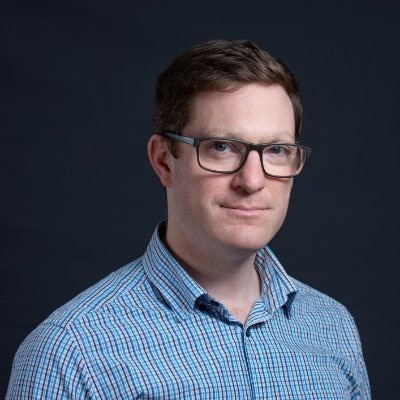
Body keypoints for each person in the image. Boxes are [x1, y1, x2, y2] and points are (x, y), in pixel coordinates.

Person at [7, 39, 371, 399]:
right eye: (222, 147)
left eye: (276, 150)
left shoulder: (332, 326)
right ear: (165, 160)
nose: (253, 181)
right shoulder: (70, 353)